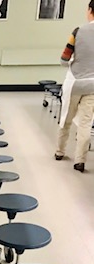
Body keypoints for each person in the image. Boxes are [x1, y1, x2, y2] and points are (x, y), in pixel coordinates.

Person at [55, 0, 94, 173]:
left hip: (75, 82)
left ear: (90, 10)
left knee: (66, 118)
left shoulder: (78, 31)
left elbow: (64, 59)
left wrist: (73, 62)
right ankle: (80, 161)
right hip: (93, 84)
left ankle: (60, 151)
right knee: (85, 123)